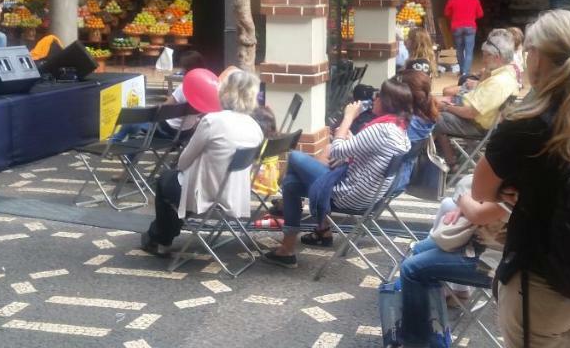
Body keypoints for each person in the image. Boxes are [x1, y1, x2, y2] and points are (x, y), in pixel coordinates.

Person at [470, 10, 570, 347]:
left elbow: (482, 190)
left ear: (538, 58)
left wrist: (520, 189)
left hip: (541, 284)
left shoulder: (523, 121)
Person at [264, 77, 413, 268]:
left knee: (294, 157)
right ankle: (287, 248)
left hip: (348, 194)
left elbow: (337, 150)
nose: (374, 99)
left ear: (386, 102)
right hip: (368, 195)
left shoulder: (381, 129)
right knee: (292, 185)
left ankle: (292, 218)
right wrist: (350, 140)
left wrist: (348, 117)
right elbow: (360, 150)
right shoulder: (398, 129)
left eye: (378, 96)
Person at [140, 68, 264, 256]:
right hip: (234, 195)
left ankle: (160, 237)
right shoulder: (255, 128)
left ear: (226, 92)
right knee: (177, 185)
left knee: (167, 180)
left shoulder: (212, 121)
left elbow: (183, 162)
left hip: (205, 195)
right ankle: (163, 233)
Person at [396, 175, 509, 347]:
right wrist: (467, 205)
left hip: (496, 262)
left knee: (411, 269)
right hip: (480, 242)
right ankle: (429, 326)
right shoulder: (521, 174)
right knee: (418, 250)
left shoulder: (522, 185)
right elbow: (477, 184)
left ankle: (418, 342)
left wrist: (464, 197)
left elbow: (470, 187)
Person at [434, 29, 520, 166]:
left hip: (475, 125)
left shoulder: (498, 82)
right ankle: (448, 156)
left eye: (486, 56)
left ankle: (450, 161)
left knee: (430, 114)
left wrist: (446, 107)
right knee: (432, 105)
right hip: (471, 114)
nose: (483, 60)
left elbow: (471, 113)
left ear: (497, 57)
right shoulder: (504, 74)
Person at [444, 0, 484, 78]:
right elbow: (480, 14)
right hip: (470, 27)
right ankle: (466, 73)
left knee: (459, 50)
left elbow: (446, 13)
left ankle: (462, 71)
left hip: (457, 27)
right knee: (469, 51)